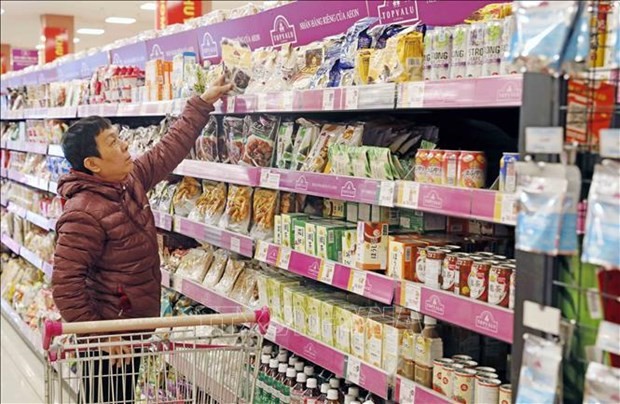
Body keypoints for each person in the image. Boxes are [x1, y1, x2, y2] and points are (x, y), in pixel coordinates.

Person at [51, 76, 232, 403]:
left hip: (132, 326)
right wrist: (101, 336)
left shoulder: (128, 181)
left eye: (120, 137)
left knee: (117, 397)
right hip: (110, 334)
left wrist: (203, 102)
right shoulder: (82, 213)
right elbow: (65, 284)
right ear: (92, 164)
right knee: (107, 397)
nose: (124, 146)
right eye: (112, 143)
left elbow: (168, 149)